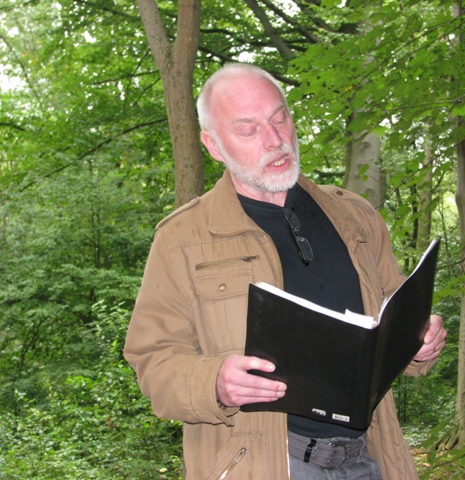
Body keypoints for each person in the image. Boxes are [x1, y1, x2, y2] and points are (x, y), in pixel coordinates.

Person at [124, 63, 447, 480]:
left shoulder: (354, 217)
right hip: (263, 466)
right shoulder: (182, 239)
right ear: (214, 145)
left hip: (370, 458)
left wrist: (420, 342)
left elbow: (397, 316)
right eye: (249, 129)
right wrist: (214, 381)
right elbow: (152, 360)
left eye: (280, 118)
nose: (276, 140)